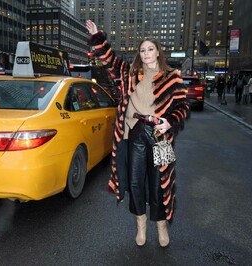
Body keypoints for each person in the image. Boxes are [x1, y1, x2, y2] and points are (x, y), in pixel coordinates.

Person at [86, 20, 190, 247]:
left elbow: (183, 108)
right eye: (142, 50)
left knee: (159, 182)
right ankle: (140, 226)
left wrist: (170, 121)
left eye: (150, 49)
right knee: (134, 182)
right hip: (135, 133)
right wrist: (98, 37)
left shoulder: (172, 77)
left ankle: (161, 225)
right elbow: (109, 59)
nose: (146, 53)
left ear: (158, 52)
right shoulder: (130, 74)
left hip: (160, 136)